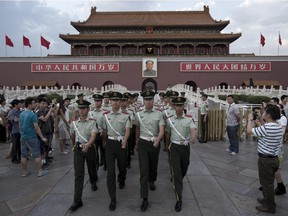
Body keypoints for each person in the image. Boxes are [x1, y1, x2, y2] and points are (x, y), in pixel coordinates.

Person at [247, 104, 282, 214]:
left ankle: (270, 206)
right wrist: (260, 120)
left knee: (266, 183)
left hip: (266, 160)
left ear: (269, 115)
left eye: (264, 112)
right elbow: (265, 129)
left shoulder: (267, 128)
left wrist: (249, 119)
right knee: (269, 181)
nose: (263, 113)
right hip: (274, 158)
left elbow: (248, 131)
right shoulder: (277, 126)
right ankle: (266, 199)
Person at [134, 90, 165, 212]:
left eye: (150, 99)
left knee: (153, 166)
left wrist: (158, 140)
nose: (148, 101)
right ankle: (144, 198)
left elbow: (161, 129)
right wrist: (136, 141)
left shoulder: (159, 114)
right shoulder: (138, 114)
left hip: (154, 143)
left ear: (153, 100)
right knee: (144, 170)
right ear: (143, 101)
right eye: (146, 99)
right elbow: (137, 128)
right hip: (142, 143)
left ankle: (152, 180)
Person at [101, 91, 131, 211]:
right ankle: (112, 198)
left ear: (120, 102)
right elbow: (104, 130)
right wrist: (104, 142)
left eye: (117, 100)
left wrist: (125, 141)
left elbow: (128, 129)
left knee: (122, 166)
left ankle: (122, 178)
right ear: (110, 101)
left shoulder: (125, 115)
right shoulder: (106, 115)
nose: (115, 102)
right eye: (113, 100)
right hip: (110, 144)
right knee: (110, 172)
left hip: (121, 143)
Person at [167, 97, 197, 212]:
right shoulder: (170, 119)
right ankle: (179, 199)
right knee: (177, 172)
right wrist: (167, 146)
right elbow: (168, 134)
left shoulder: (188, 119)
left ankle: (178, 179)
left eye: (180, 105)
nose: (179, 107)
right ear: (174, 107)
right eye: (177, 105)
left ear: (183, 107)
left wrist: (193, 137)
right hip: (174, 147)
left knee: (185, 167)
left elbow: (193, 129)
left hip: (185, 147)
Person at [69, 100, 98, 212]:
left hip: (89, 149)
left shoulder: (92, 122)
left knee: (91, 168)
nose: (81, 111)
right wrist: (74, 146)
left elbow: (93, 135)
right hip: (78, 150)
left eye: (84, 108)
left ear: (88, 109)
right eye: (80, 108)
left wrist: (88, 144)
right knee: (78, 175)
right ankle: (77, 200)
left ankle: (93, 181)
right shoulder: (74, 123)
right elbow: (73, 135)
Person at [19, 97, 48, 177]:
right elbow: (36, 127)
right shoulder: (32, 114)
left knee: (23, 155)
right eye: (33, 103)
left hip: (23, 137)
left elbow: (20, 125)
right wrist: (42, 137)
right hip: (32, 136)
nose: (35, 104)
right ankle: (39, 172)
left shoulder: (21, 114)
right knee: (37, 154)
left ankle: (24, 172)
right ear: (29, 104)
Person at [89, 94, 106, 171]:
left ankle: (105, 163)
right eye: (95, 101)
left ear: (101, 102)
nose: (97, 102)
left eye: (98, 101)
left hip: (102, 134)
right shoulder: (90, 113)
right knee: (95, 152)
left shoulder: (105, 113)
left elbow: (106, 125)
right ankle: (96, 167)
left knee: (104, 150)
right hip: (94, 135)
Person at [7, 99, 22, 164]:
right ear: (15, 105)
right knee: (15, 146)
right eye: (19, 104)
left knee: (20, 145)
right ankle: (14, 159)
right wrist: (20, 119)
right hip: (15, 131)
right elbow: (15, 120)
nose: (20, 105)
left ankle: (20, 157)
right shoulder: (12, 112)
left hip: (20, 130)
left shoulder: (20, 111)